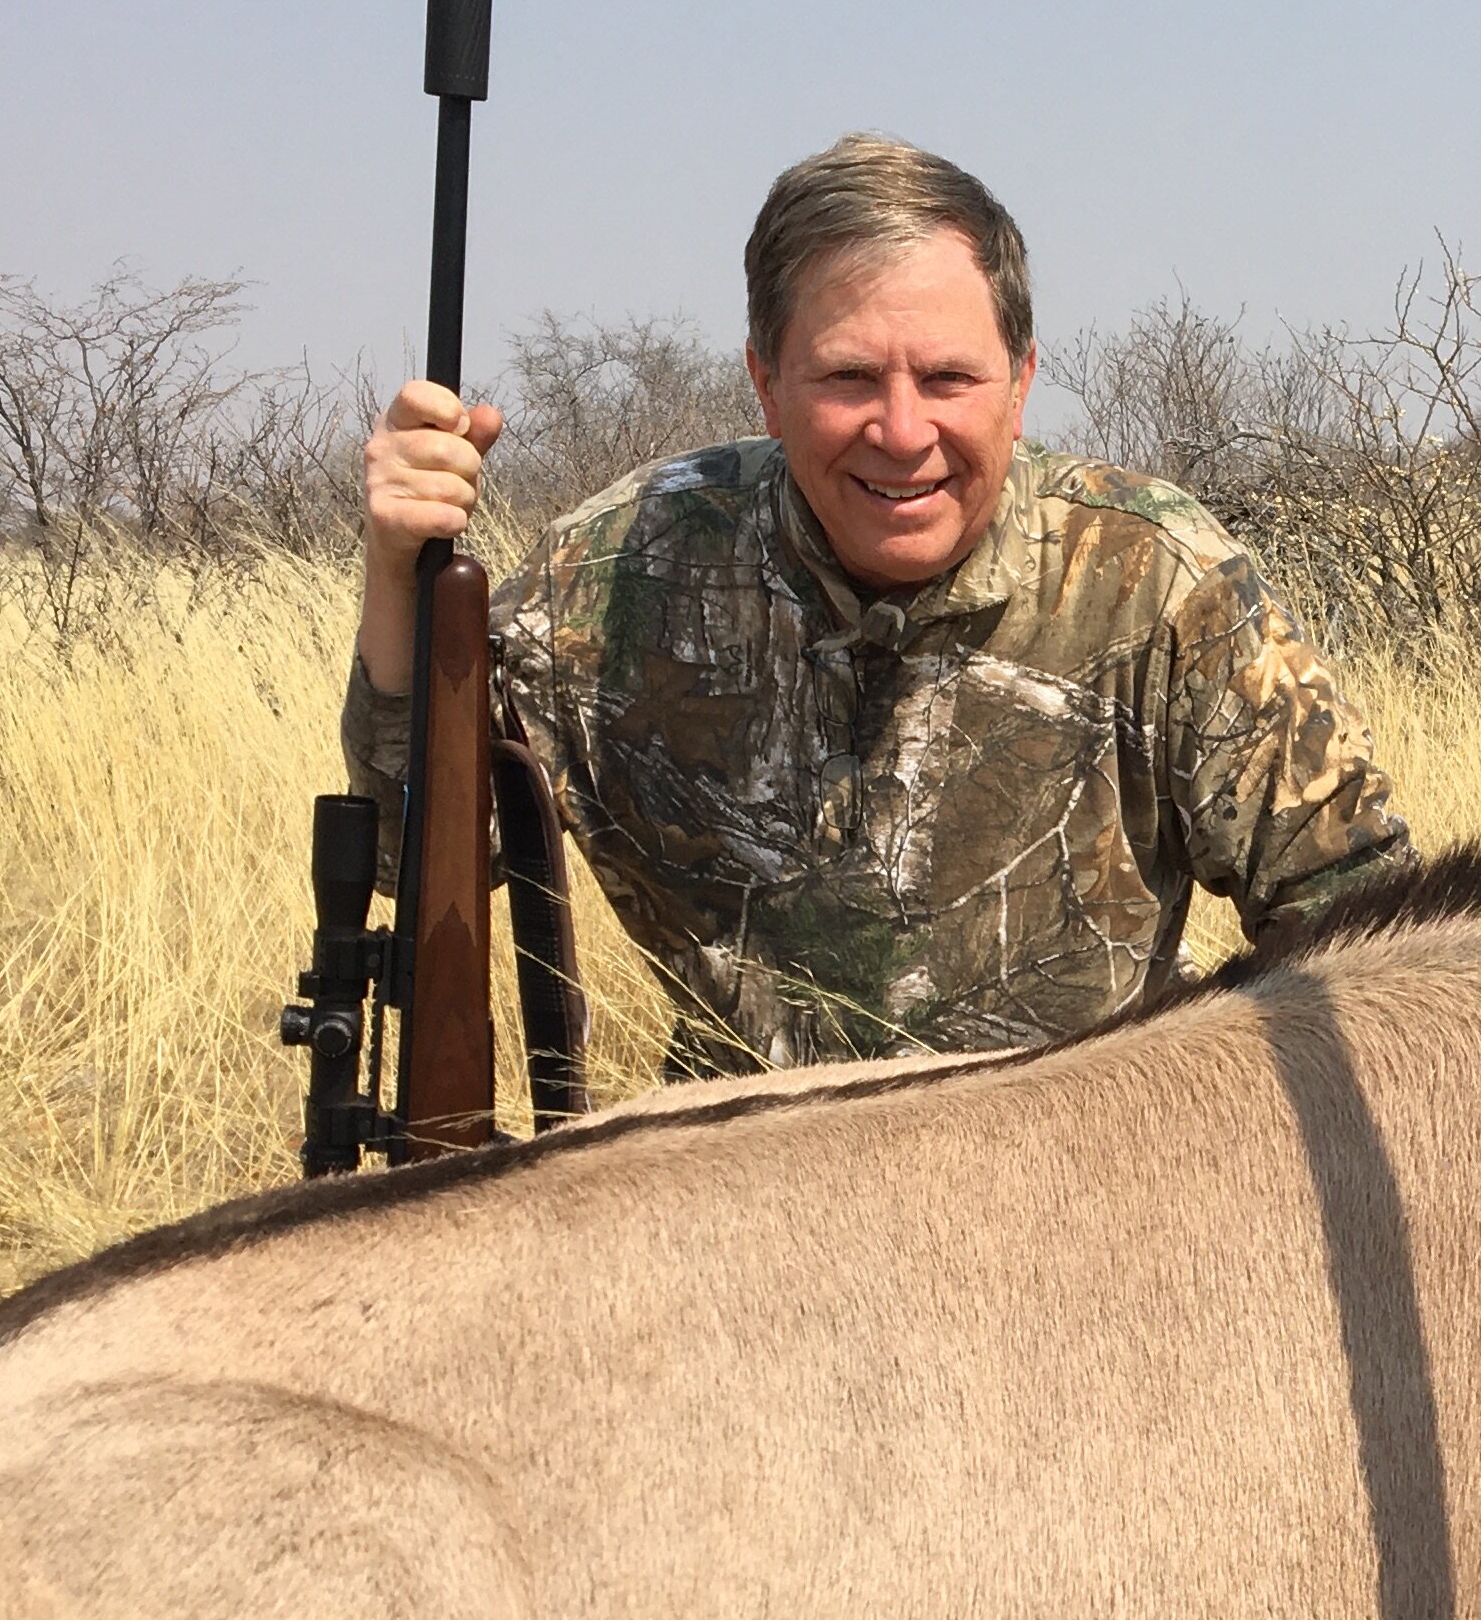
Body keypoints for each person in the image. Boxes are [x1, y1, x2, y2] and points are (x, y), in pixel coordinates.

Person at [348, 134, 1414, 1075]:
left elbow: (1367, 932)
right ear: (767, 382)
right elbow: (418, 852)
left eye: (948, 378)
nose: (902, 433)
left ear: (1022, 378)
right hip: (740, 1209)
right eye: (849, 378)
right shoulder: (626, 566)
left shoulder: (1161, 578)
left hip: (1090, 1215)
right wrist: (397, 567)